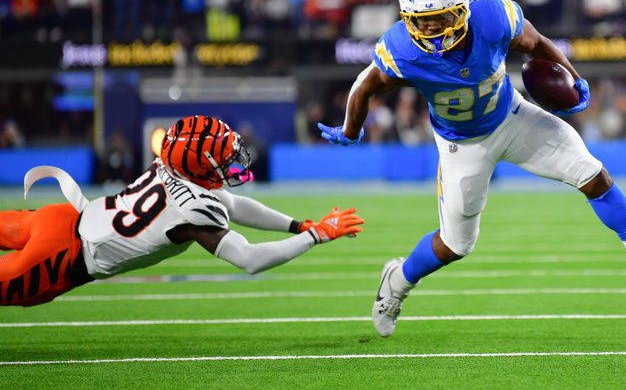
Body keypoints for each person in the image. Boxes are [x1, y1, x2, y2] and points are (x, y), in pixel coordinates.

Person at [317, 0, 626, 338]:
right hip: (461, 144)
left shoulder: (491, 17)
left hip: (512, 117)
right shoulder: (402, 50)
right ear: (408, 19)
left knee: (591, 173)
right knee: (456, 244)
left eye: (442, 18)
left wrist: (573, 79)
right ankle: (397, 281)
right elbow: (364, 85)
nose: (433, 29)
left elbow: (536, 44)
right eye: (424, 21)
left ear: (464, 9)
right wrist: (351, 129)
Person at [1, 115, 364, 307]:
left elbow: (234, 205)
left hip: (59, 217)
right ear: (200, 165)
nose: (231, 162)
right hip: (61, 257)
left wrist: (298, 225)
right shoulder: (192, 210)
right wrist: (314, 236)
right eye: (223, 158)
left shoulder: (172, 164)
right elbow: (250, 259)